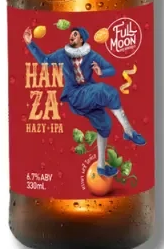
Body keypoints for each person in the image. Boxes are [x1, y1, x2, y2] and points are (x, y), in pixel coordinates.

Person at [24, 26, 145, 176]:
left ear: (81, 38)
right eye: (71, 34)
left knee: (105, 124)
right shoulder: (62, 54)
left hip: (88, 95)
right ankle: (129, 131)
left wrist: (101, 71)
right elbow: (45, 61)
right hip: (75, 95)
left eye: (75, 34)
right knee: (107, 91)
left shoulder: (91, 55)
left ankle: (101, 167)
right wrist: (30, 43)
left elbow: (111, 69)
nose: (71, 36)